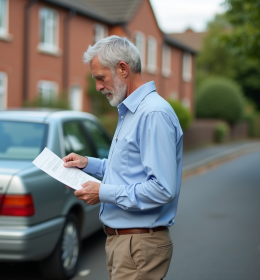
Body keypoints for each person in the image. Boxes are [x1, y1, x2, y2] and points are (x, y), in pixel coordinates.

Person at [62, 35, 183, 280]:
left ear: (122, 69)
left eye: (100, 78)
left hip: (138, 245)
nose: (97, 87)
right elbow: (128, 169)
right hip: (128, 243)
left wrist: (102, 192)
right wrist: (88, 164)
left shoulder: (153, 114)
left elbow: (162, 188)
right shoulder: (131, 111)